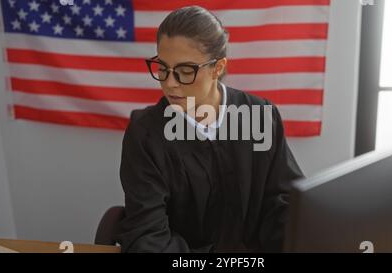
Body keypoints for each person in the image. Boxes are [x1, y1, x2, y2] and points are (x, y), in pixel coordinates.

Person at [117, 5, 303, 253]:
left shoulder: (259, 116)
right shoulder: (146, 135)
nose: (170, 83)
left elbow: (283, 205)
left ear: (217, 68)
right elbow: (148, 235)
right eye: (162, 68)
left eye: (185, 71)